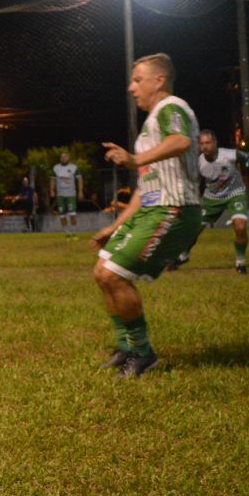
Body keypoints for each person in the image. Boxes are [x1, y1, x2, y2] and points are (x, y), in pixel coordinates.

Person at [89, 53, 201, 378]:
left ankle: (143, 354)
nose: (131, 87)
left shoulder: (172, 107)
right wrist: (115, 225)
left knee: (114, 276)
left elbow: (180, 140)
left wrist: (135, 160)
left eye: (138, 80)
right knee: (101, 272)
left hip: (174, 208)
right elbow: (144, 188)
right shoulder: (149, 128)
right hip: (152, 208)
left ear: (159, 80)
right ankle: (127, 348)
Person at [169, 130, 249, 274]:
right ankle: (183, 255)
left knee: (240, 227)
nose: (205, 147)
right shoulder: (198, 163)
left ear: (215, 143)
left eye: (208, 143)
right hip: (212, 198)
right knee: (193, 229)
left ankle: (240, 262)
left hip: (235, 193)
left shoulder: (230, 155)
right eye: (202, 144)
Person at [50, 151, 83, 239]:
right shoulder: (56, 168)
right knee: (62, 215)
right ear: (60, 159)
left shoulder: (74, 167)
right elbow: (52, 180)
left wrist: (80, 191)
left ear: (68, 158)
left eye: (65, 157)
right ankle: (67, 233)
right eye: (62, 157)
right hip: (60, 195)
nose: (63, 159)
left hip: (71, 194)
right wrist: (52, 190)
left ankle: (74, 233)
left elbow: (79, 179)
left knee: (72, 214)